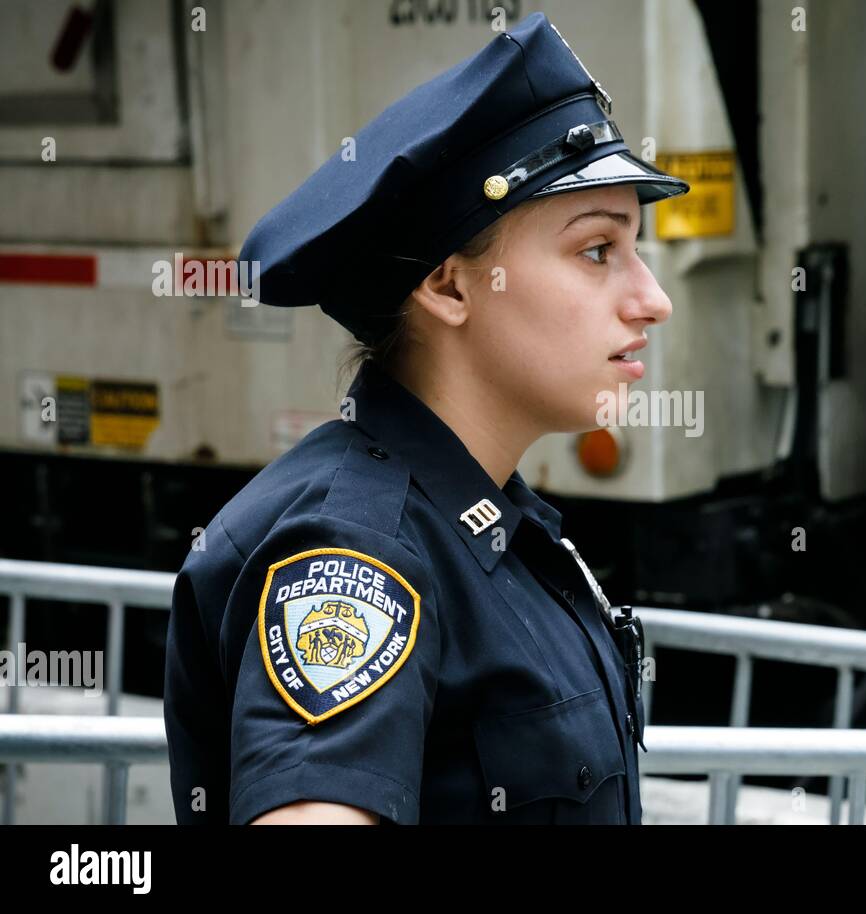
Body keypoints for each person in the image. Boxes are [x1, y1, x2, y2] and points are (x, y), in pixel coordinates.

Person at [162, 11, 688, 825]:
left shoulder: (491, 527)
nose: (651, 299)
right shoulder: (360, 553)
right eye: (597, 251)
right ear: (447, 287)